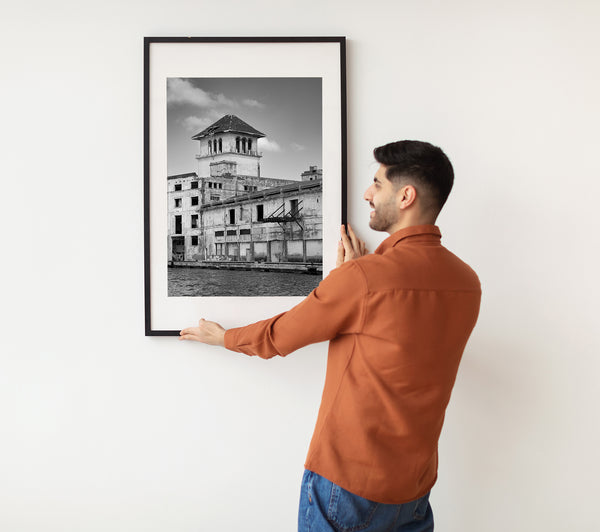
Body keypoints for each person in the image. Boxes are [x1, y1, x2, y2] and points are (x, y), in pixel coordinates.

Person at [180, 140, 481, 532]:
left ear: (406, 196)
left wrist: (223, 337)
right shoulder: (467, 282)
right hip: (414, 490)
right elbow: (399, 335)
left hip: (347, 486)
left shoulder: (364, 280)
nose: (367, 194)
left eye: (377, 184)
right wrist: (359, 277)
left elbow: (280, 336)